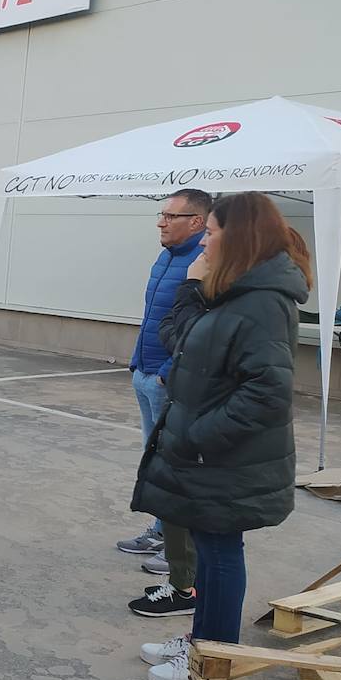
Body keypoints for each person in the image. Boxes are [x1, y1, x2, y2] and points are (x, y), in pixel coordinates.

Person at [133, 192, 311, 680]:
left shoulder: (262, 303)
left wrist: (199, 437)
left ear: (237, 236)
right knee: (211, 548)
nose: (204, 241)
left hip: (226, 454)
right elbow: (187, 342)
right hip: (210, 452)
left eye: (209, 232)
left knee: (221, 552)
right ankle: (200, 642)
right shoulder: (232, 291)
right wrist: (190, 291)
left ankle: (214, 661)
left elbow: (268, 392)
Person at [119, 190, 210, 619]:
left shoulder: (203, 263)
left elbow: (197, 326)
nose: (161, 222)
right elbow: (154, 315)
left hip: (165, 378)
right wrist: (139, 362)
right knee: (152, 462)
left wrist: (168, 371)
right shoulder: (169, 257)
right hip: (146, 370)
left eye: (172, 216)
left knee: (172, 467)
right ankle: (161, 531)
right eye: (162, 214)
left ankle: (183, 566)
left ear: (197, 222)